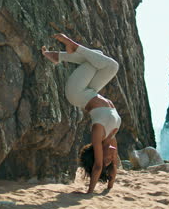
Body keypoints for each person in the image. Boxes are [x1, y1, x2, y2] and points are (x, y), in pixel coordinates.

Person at [41, 33, 121, 193]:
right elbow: (113, 168)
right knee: (100, 58)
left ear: (98, 152)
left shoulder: (98, 132)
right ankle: (58, 56)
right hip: (90, 90)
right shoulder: (112, 138)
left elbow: (98, 166)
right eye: (110, 161)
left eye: (105, 159)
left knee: (98, 62)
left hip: (76, 93)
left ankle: (70, 46)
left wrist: (89, 192)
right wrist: (110, 185)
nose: (110, 158)